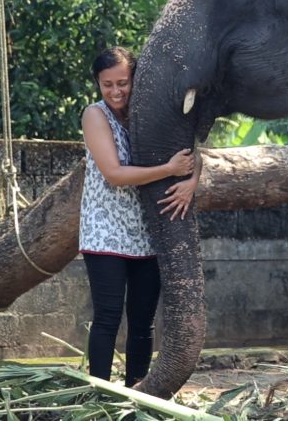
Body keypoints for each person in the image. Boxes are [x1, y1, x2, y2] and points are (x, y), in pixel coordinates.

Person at [79, 46, 201, 386]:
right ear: (98, 86)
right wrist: (168, 169)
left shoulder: (147, 112)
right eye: (107, 84)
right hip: (104, 232)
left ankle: (136, 391)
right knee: (107, 317)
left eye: (123, 82)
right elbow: (114, 174)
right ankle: (99, 393)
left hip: (148, 230)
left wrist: (191, 180)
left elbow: (193, 149)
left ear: (136, 80)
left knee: (143, 321)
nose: (116, 91)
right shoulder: (95, 115)